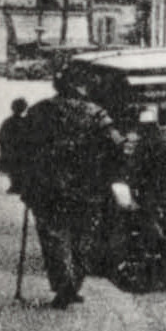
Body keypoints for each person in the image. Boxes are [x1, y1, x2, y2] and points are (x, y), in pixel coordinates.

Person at [26, 83, 120, 307]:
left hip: (48, 185)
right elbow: (116, 145)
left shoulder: (40, 111)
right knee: (83, 237)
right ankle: (73, 284)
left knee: (53, 237)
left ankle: (63, 285)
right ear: (80, 90)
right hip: (87, 185)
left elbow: (21, 145)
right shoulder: (96, 113)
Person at [0, 97, 34, 195]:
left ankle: (16, 185)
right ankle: (18, 185)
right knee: (18, 168)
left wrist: (3, 146)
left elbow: (1, 136)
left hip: (13, 150)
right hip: (19, 150)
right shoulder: (26, 122)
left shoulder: (8, 121)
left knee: (14, 169)